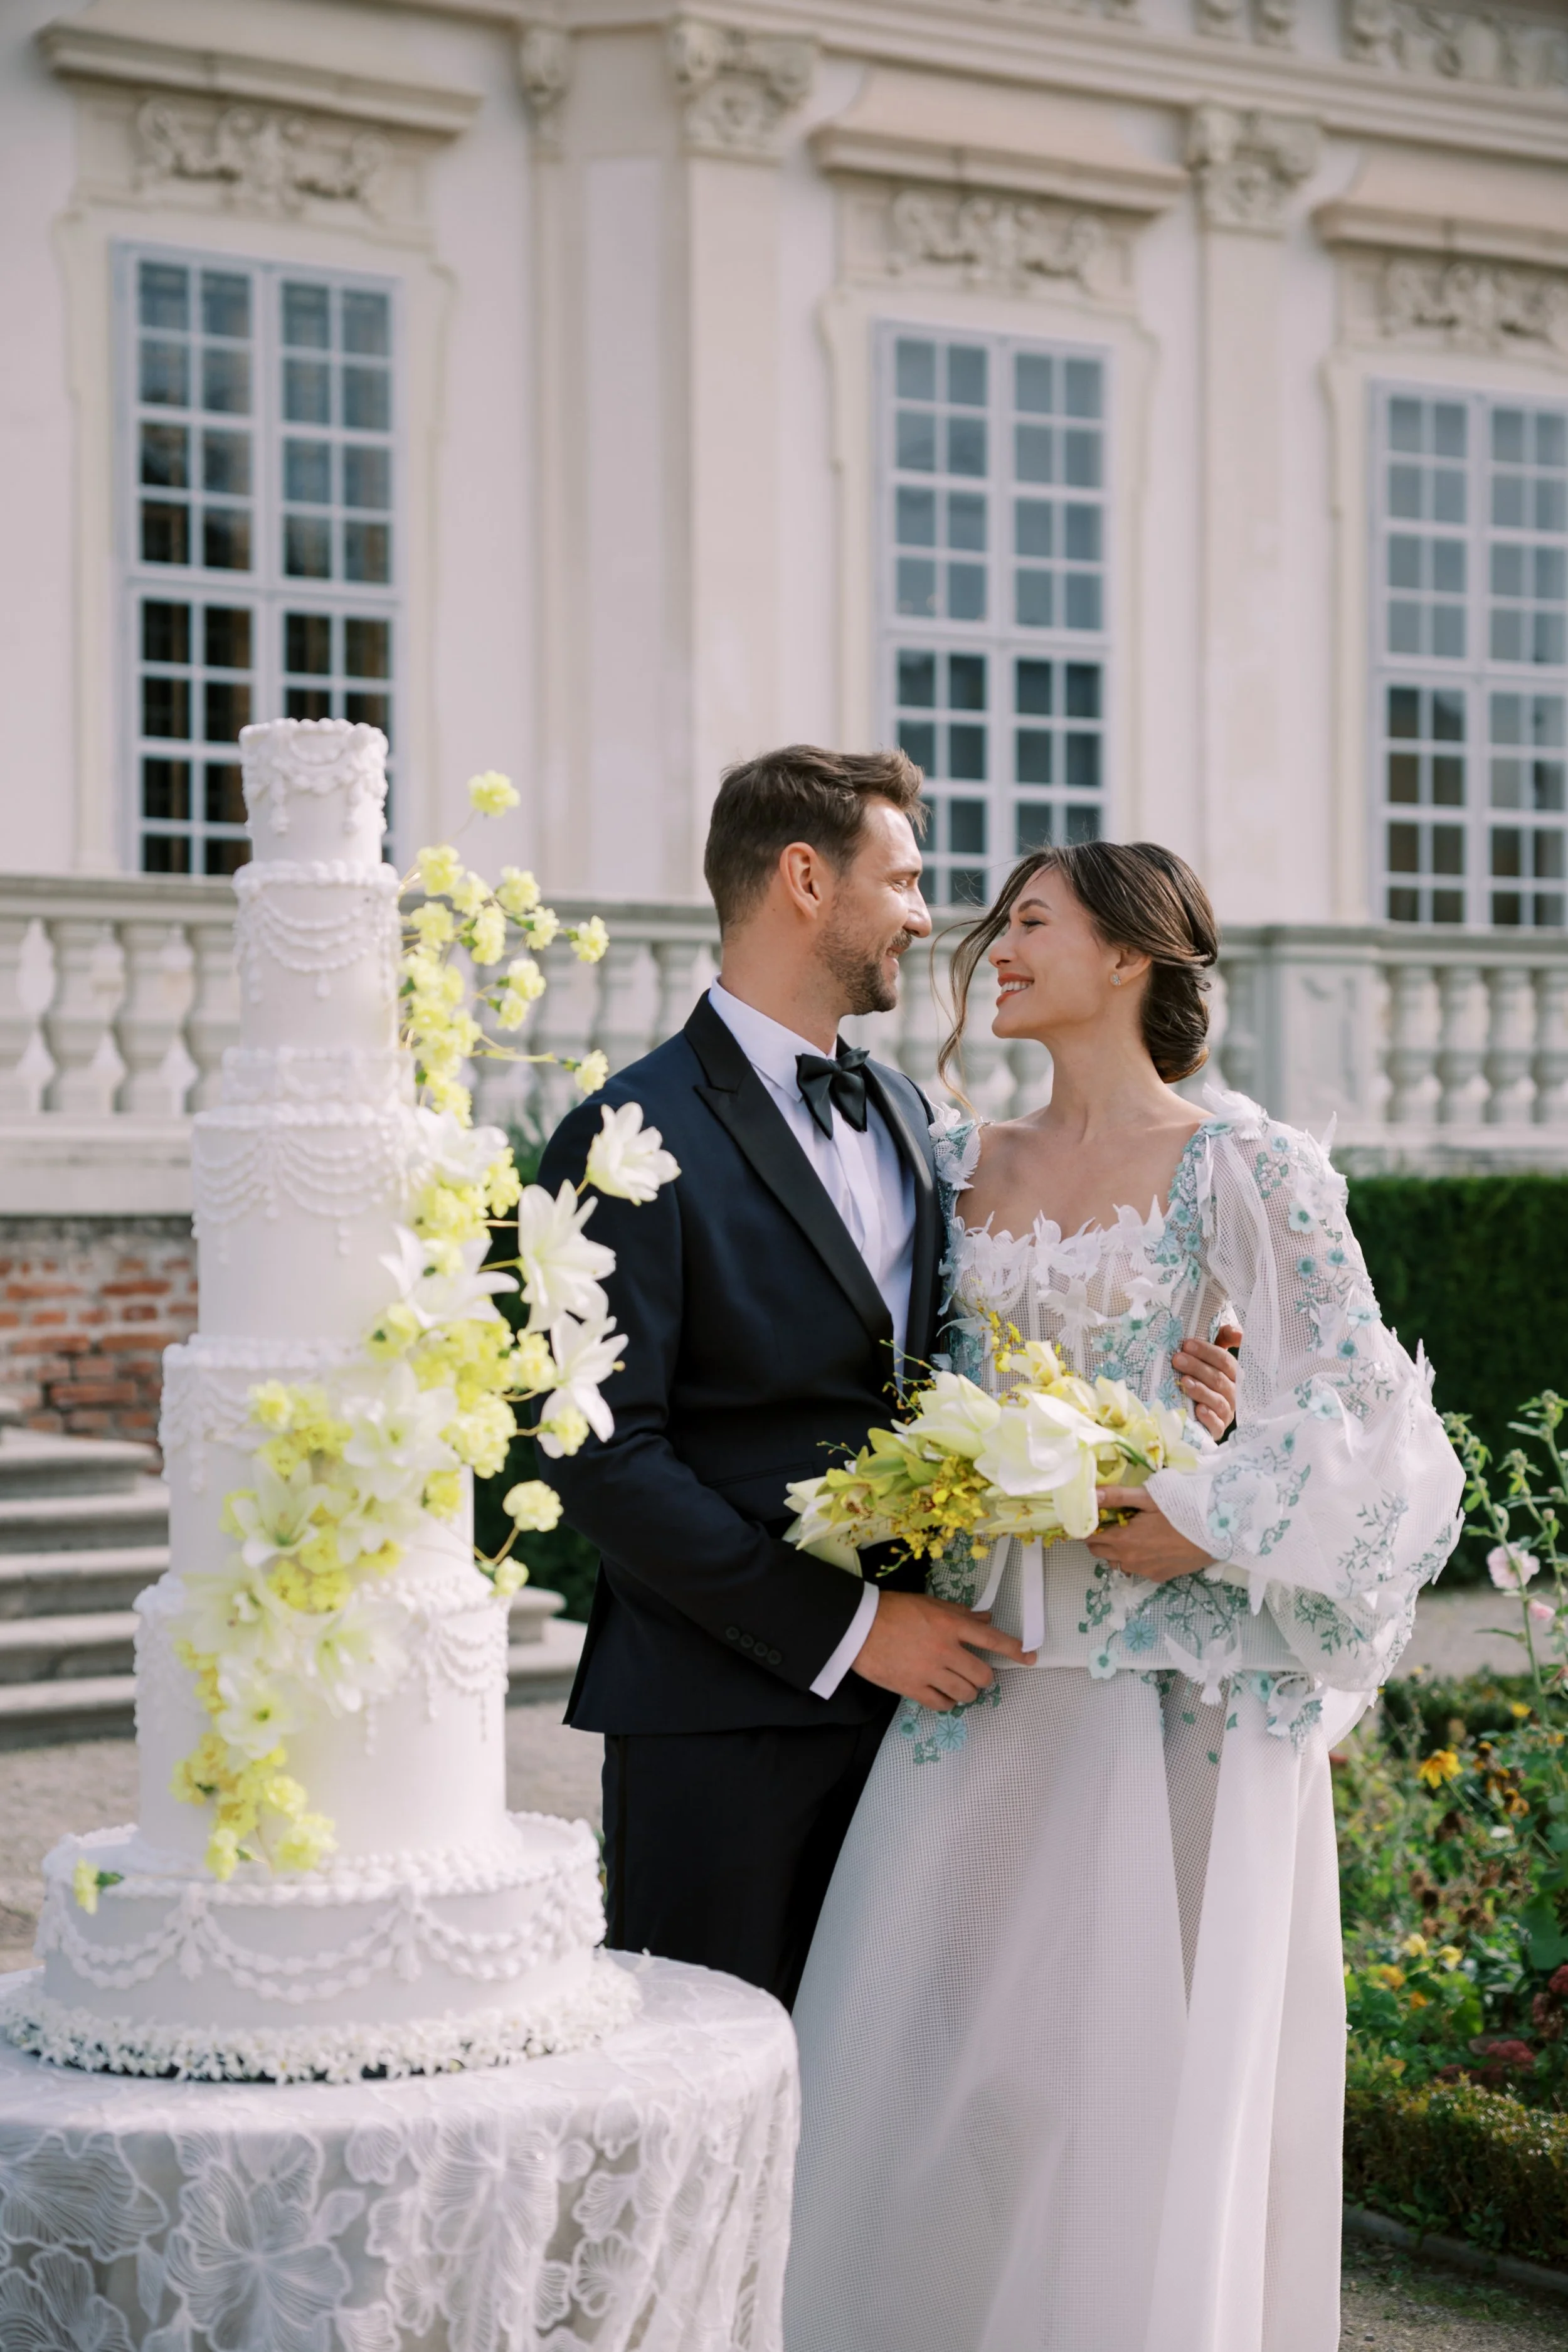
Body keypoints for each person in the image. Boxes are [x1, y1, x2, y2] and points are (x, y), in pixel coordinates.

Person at [785, 841, 1464, 2352]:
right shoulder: (952, 1164)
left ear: (1132, 958)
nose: (993, 952)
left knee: (1140, 2089)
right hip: (986, 1676)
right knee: (933, 2064)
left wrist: (1209, 1518)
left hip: (1174, 1711)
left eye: (1029, 925)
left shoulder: (1247, 1167)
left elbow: (1373, 1426)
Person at [538, 753, 1241, 2006]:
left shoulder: (920, 1122)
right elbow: (600, 1455)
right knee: (720, 2113)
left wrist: (1170, 1412)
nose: (928, 920)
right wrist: (854, 1633)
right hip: (725, 1721)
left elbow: (985, 1362)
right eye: (904, 880)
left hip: (943, 1723)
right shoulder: (622, 1137)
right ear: (804, 880)